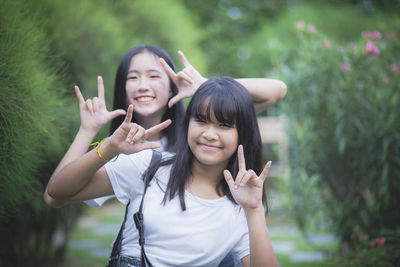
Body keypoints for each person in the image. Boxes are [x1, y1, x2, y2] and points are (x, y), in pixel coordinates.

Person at [46, 77, 279, 266]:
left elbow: (278, 89)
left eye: (224, 125)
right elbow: (57, 191)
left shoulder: (241, 206)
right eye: (201, 120)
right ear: (188, 123)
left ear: (243, 134)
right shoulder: (150, 165)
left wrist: (254, 210)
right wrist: (107, 149)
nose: (209, 133)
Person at [44, 44, 287, 208]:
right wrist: (87, 131)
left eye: (153, 76)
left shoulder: (200, 132)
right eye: (132, 77)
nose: (142, 86)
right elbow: (54, 197)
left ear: (172, 86)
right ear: (122, 89)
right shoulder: (123, 153)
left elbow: (276, 91)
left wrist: (205, 85)